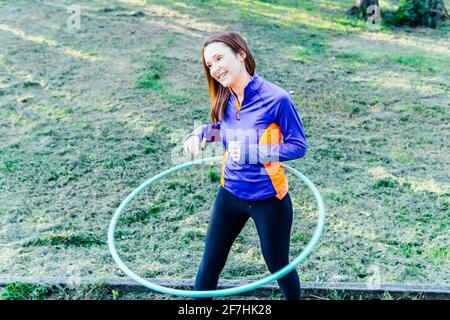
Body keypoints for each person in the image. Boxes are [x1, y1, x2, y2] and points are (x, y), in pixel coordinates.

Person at [183, 32, 307, 300]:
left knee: (278, 266)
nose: (214, 69)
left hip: (269, 199)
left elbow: (298, 146)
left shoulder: (277, 99)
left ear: (240, 53)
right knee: (210, 263)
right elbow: (224, 133)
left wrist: (256, 153)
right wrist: (200, 134)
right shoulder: (225, 98)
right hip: (230, 194)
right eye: (209, 65)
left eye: (219, 58)